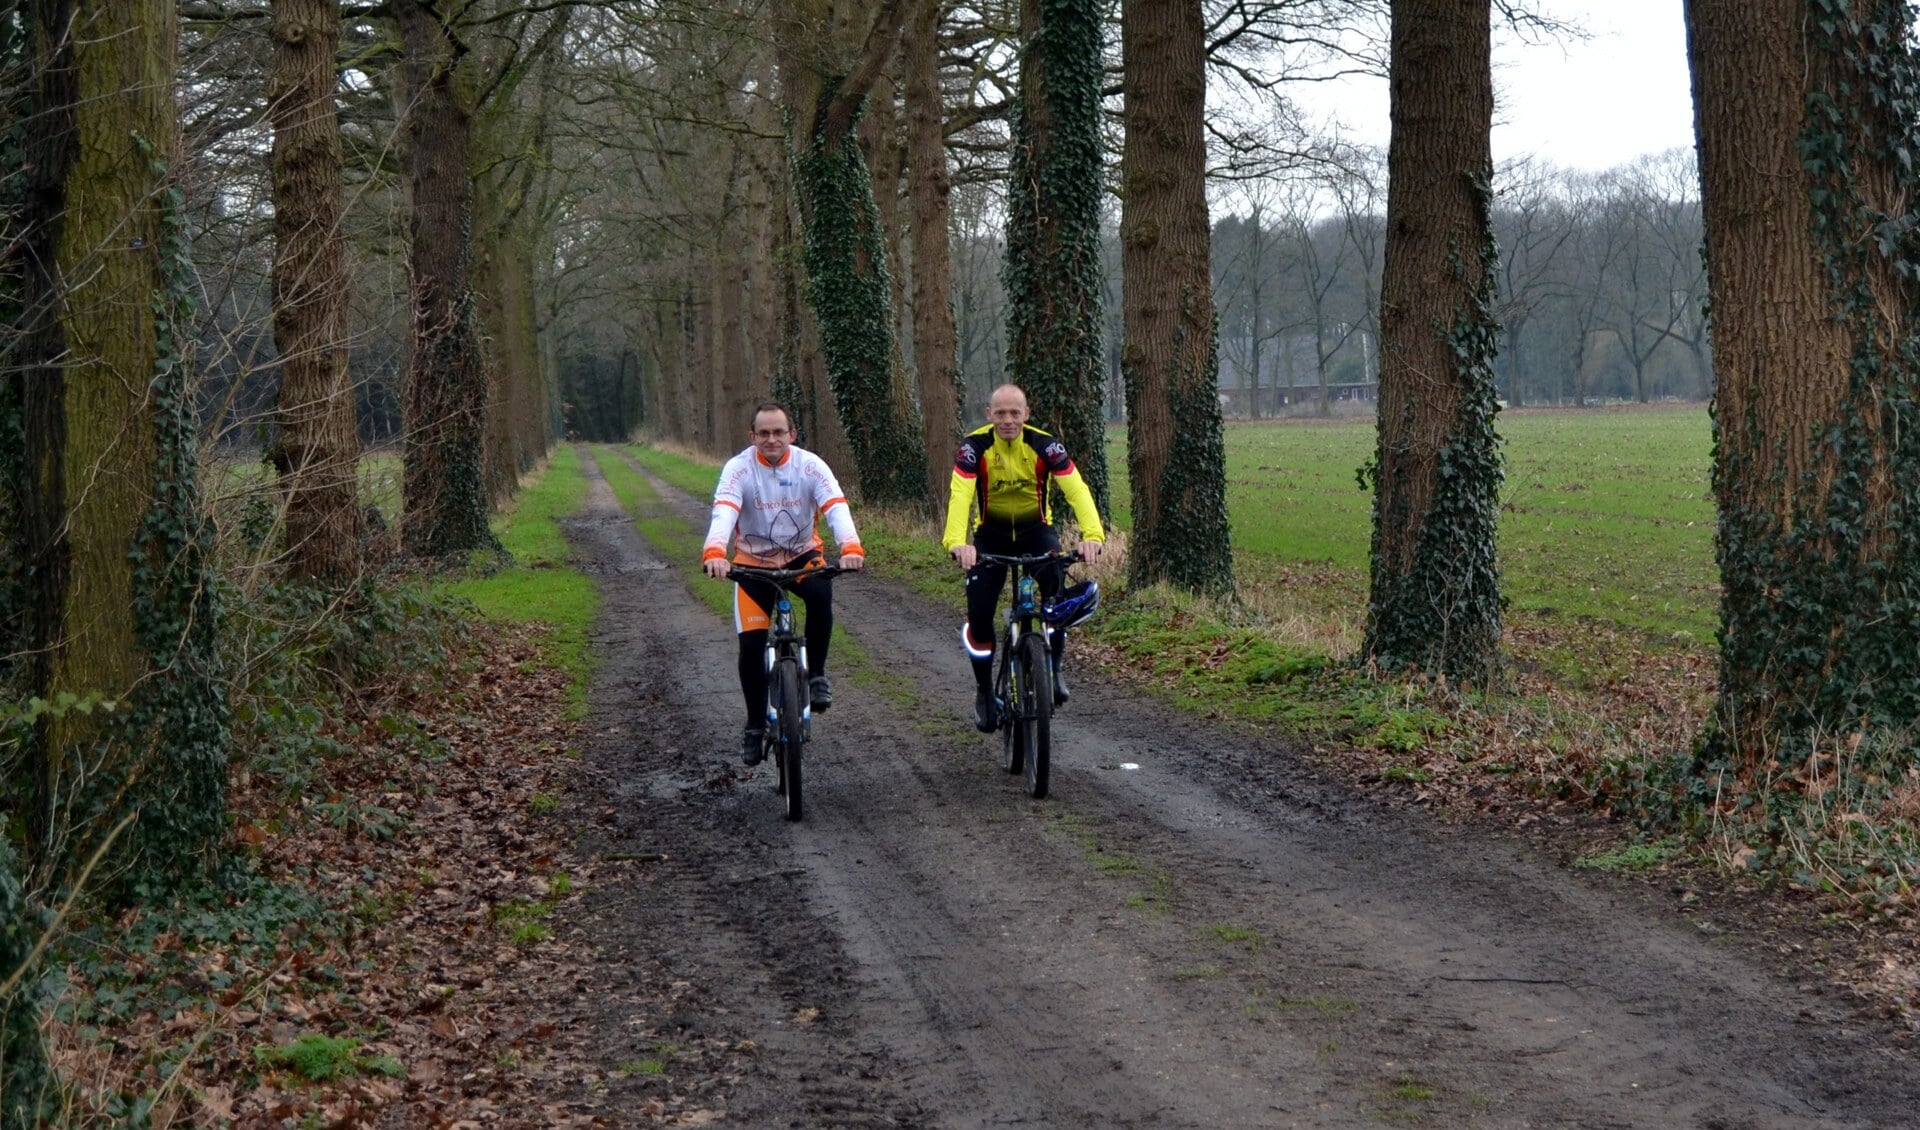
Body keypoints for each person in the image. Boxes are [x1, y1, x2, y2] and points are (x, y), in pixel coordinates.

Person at [703, 402, 865, 764]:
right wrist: (714, 551)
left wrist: (851, 546)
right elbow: (724, 511)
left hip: (801, 557)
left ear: (792, 434)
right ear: (752, 437)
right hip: (752, 564)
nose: (772, 439)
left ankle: (818, 675)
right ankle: (755, 725)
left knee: (822, 591)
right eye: (764, 433)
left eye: (779, 432)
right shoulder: (738, 468)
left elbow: (835, 505)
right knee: (751, 646)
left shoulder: (810, 465)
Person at [944, 383, 1105, 732]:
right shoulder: (974, 448)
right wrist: (958, 543)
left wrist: (1092, 536)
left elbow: (1077, 489)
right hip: (991, 536)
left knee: (1056, 595)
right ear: (989, 415)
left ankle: (1055, 668)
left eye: (1014, 413)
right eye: (1000, 413)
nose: (1007, 420)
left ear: (1026, 415)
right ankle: (985, 691)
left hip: (1036, 532)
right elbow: (960, 496)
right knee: (980, 613)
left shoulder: (1044, 445)